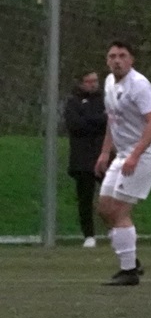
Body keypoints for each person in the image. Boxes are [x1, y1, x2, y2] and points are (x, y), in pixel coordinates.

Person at [94, 41, 151, 286]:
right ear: (107, 60)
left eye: (122, 56)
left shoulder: (140, 85)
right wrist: (105, 152)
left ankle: (129, 271)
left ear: (131, 60)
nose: (117, 60)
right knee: (105, 209)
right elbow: (113, 120)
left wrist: (135, 155)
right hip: (123, 153)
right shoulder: (109, 83)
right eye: (112, 56)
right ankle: (130, 259)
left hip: (144, 154)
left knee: (119, 211)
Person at [63, 70, 107, 247]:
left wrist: (90, 119)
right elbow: (76, 125)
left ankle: (117, 229)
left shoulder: (105, 100)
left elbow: (109, 121)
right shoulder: (73, 102)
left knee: (111, 195)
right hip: (82, 158)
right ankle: (89, 235)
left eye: (95, 80)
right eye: (89, 81)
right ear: (81, 83)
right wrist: (97, 121)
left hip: (103, 156)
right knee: (85, 199)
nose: (93, 84)